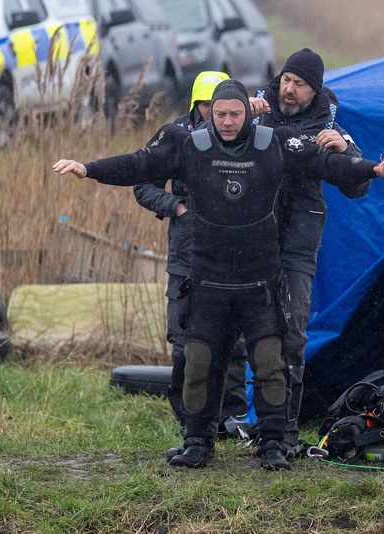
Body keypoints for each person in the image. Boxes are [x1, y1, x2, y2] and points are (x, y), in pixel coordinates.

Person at [52, 79, 384, 470]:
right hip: (208, 279)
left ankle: (273, 443)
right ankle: (196, 441)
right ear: (211, 113)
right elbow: (139, 164)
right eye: (220, 113)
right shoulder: (189, 145)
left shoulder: (272, 142)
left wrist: (373, 169)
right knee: (200, 363)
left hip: (260, 280)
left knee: (271, 364)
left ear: (248, 111)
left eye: (234, 114)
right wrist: (87, 169)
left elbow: (323, 161)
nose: (226, 121)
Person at [250, 48, 369, 456]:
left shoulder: (329, 126)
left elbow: (358, 184)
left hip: (297, 247)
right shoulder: (255, 110)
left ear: (313, 90)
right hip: (250, 243)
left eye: (299, 84)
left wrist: (344, 152)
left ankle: (284, 433)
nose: (289, 88)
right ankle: (233, 424)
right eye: (286, 79)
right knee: (244, 335)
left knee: (292, 335)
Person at [132, 71, 253, 436]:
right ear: (197, 106)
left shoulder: (247, 139)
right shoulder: (175, 136)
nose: (214, 116)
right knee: (184, 341)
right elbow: (142, 183)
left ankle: (231, 416)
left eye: (219, 109)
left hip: (233, 255)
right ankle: (188, 417)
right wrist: (176, 207)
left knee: (234, 342)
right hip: (186, 255)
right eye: (205, 107)